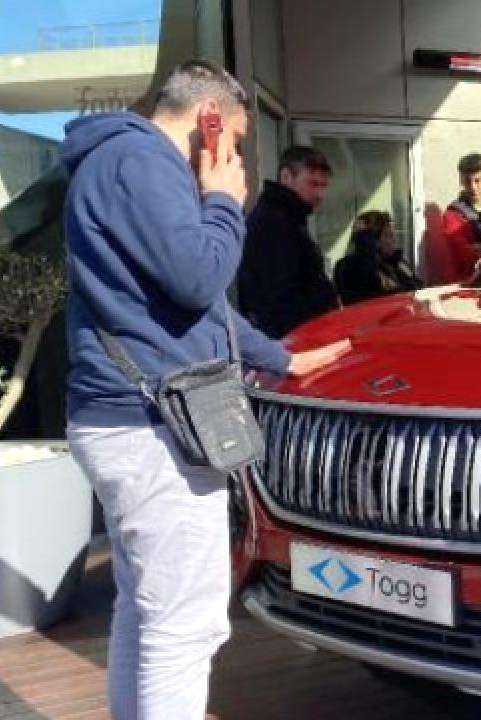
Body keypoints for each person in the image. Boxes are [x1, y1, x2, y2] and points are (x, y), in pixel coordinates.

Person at [61, 60, 348, 719]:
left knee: (147, 610)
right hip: (151, 426)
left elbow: (195, 306)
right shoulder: (143, 162)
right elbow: (199, 279)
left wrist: (280, 357)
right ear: (209, 120)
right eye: (235, 139)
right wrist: (222, 200)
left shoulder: (120, 162)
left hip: (129, 420)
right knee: (184, 627)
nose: (234, 156)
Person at [236, 145, 339, 338]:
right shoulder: (276, 222)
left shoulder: (285, 217)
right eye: (312, 184)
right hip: (293, 338)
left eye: (323, 186)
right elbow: (280, 295)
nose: (319, 194)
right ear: (286, 177)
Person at [425, 152, 481, 284]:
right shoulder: (452, 214)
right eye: (467, 181)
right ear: (461, 180)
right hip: (471, 282)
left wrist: (480, 247)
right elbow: (466, 256)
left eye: (477, 180)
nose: (472, 187)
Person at [334, 210, 421, 304]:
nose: (393, 240)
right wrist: (364, 240)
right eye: (388, 236)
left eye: (393, 235)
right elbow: (376, 291)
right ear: (373, 241)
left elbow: (417, 285)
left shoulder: (397, 261)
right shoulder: (347, 267)